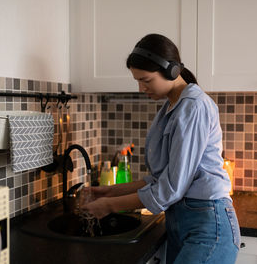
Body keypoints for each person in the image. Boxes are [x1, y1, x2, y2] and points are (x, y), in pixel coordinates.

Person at [82, 33, 240, 264]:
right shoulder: (171, 106)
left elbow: (171, 188)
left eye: (146, 80)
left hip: (208, 225)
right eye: (138, 81)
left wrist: (109, 206)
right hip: (184, 222)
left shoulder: (193, 107)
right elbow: (160, 179)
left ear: (172, 71)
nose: (140, 88)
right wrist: (111, 191)